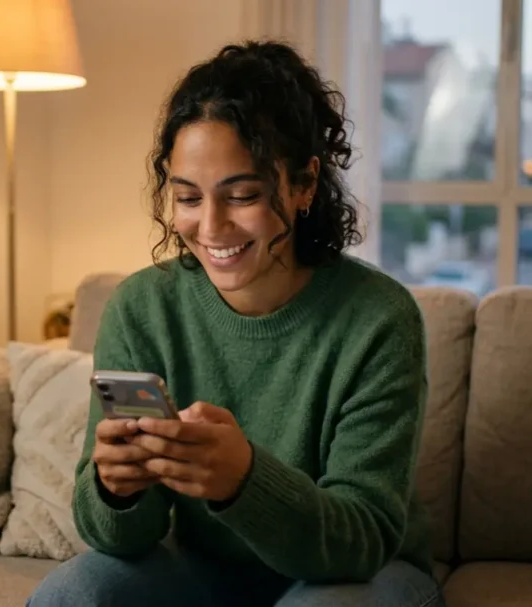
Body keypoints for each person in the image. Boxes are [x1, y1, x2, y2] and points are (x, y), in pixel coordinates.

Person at [27, 39, 443, 607]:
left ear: (304, 185)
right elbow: (119, 540)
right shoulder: (142, 310)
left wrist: (243, 480)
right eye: (188, 197)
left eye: (243, 195)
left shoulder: (378, 320)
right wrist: (116, 490)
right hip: (204, 569)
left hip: (359, 576)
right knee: (71, 597)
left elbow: (361, 540)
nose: (212, 226)